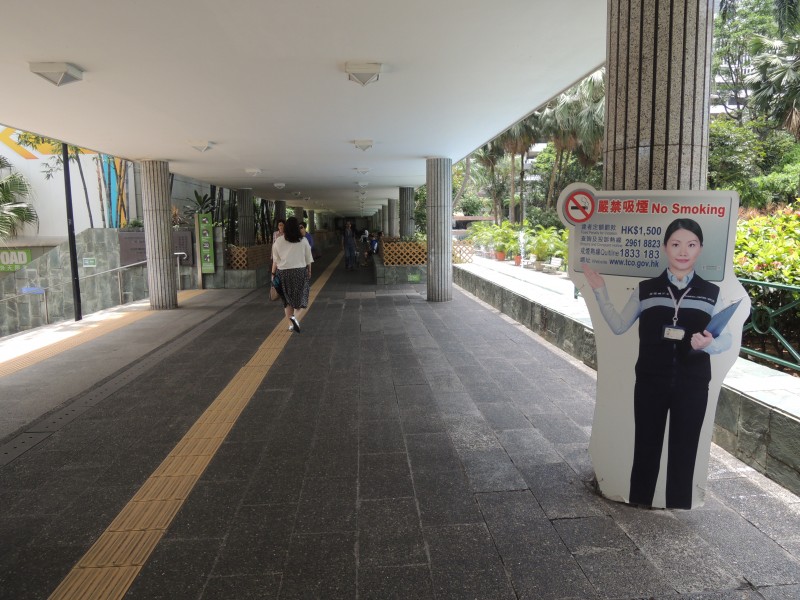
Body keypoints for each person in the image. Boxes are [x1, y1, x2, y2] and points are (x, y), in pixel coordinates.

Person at [582, 218, 731, 509]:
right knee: (646, 444)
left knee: (685, 447)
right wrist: (600, 291)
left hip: (693, 384)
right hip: (651, 382)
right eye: (676, 244)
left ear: (700, 248)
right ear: (665, 248)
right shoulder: (647, 289)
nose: (683, 251)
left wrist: (710, 344)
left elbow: (726, 338)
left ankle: (678, 504)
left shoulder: (712, 293)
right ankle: (640, 501)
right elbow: (619, 325)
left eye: (691, 244)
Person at [271, 216, 313, 333]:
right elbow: (308, 259)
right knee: (302, 299)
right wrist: (309, 271)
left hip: (283, 273)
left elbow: (276, 260)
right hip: (299, 272)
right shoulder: (303, 241)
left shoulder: (278, 241)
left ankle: (291, 325)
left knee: (287, 301)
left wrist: (273, 274)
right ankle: (294, 319)